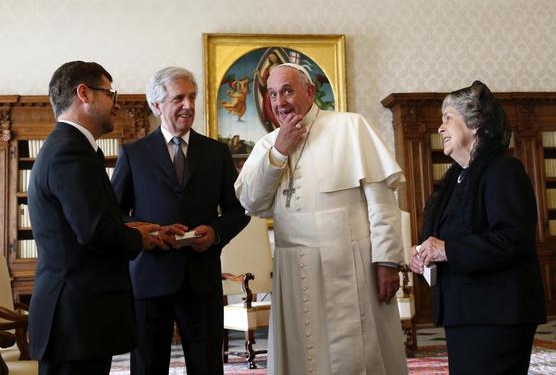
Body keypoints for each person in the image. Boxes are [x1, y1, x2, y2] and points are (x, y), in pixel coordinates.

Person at [235, 63, 408, 375]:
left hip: (352, 262)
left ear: (310, 92)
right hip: (292, 267)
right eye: (272, 94)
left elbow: (381, 203)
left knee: (359, 357)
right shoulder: (266, 145)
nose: (279, 101)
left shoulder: (350, 127)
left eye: (287, 90)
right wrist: (278, 152)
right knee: (303, 356)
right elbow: (253, 203)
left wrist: (387, 261)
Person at [27, 61, 164, 375]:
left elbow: (90, 218)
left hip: (79, 320)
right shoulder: (69, 151)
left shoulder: (71, 147)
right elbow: (93, 231)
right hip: (75, 320)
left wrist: (141, 227)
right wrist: (141, 239)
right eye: (110, 93)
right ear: (83, 93)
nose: (116, 104)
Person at [111, 66, 250, 375]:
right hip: (149, 279)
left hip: (200, 281)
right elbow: (113, 214)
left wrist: (214, 233)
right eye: (179, 98)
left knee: (207, 368)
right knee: (148, 368)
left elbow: (238, 210)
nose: (188, 105)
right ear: (157, 105)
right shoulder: (133, 154)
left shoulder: (216, 152)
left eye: (192, 97)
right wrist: (152, 231)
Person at [409, 81, 546, 374]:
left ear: (474, 125)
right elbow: (447, 240)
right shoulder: (456, 180)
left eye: (447, 118)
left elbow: (512, 239)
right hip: (466, 311)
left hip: (499, 314)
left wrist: (445, 250)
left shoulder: (503, 171)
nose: (440, 128)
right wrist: (424, 255)